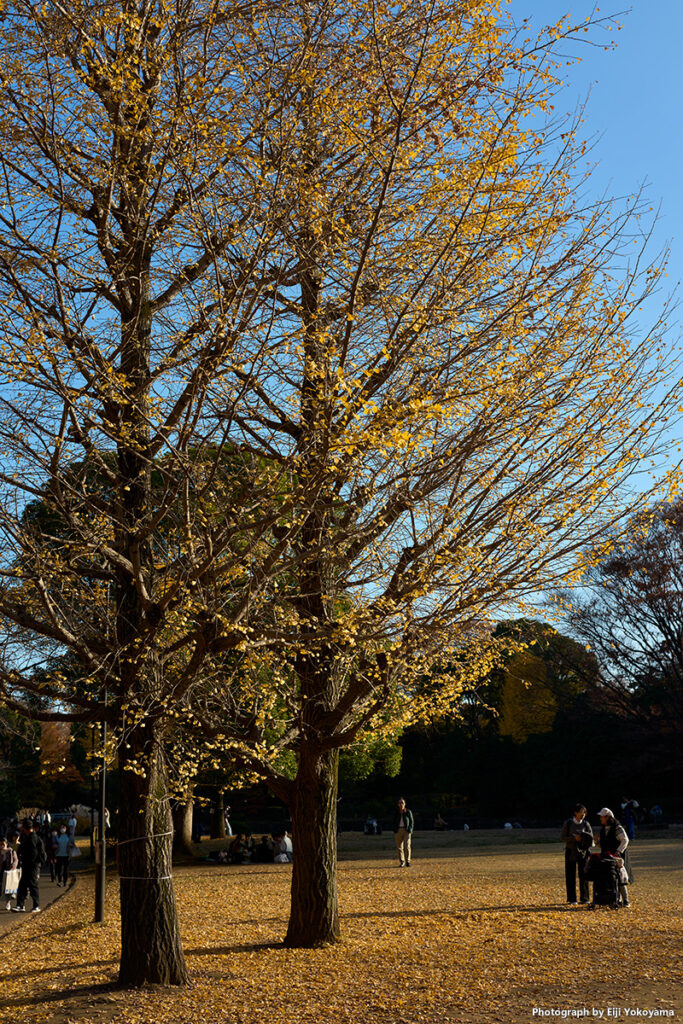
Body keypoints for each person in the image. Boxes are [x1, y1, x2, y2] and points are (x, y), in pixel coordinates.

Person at [596, 807, 633, 908]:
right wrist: (596, 841)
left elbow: (625, 840)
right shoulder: (603, 829)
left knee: (620, 878)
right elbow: (602, 845)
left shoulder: (617, 828)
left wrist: (618, 851)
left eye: (602, 817)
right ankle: (615, 899)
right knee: (611, 878)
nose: (600, 818)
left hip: (617, 857)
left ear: (607, 817)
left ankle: (625, 900)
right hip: (607, 857)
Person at [560, 803, 593, 904]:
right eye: (581, 812)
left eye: (584, 813)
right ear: (575, 813)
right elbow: (563, 838)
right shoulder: (568, 823)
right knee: (570, 875)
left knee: (584, 875)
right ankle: (572, 899)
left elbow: (591, 838)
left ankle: (585, 898)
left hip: (583, 852)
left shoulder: (586, 824)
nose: (583, 815)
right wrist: (574, 838)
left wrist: (584, 838)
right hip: (571, 851)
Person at [12, 818, 45, 913]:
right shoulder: (26, 836)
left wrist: (25, 859)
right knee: (22, 885)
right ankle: (20, 905)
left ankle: (36, 905)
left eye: (22, 826)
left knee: (33, 885)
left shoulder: (33, 838)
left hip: (32, 865)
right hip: (27, 865)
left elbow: (33, 854)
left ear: (25, 828)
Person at [392, 797, 414, 867]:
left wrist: (410, 829)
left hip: (406, 830)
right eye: (400, 803)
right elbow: (393, 821)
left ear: (405, 804)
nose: (401, 804)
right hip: (398, 830)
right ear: (398, 804)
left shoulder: (408, 812)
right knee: (399, 847)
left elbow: (411, 822)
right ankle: (402, 861)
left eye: (402, 803)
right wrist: (394, 829)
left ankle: (408, 861)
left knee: (407, 846)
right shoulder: (396, 812)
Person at [1, 837, 19, 910]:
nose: (2, 845)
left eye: (3, 844)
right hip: (1, 871)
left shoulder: (11, 851)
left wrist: (13, 867)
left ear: (6, 844)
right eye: (0, 844)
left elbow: (16, 860)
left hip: (8, 871)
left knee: (8, 887)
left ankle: (8, 903)